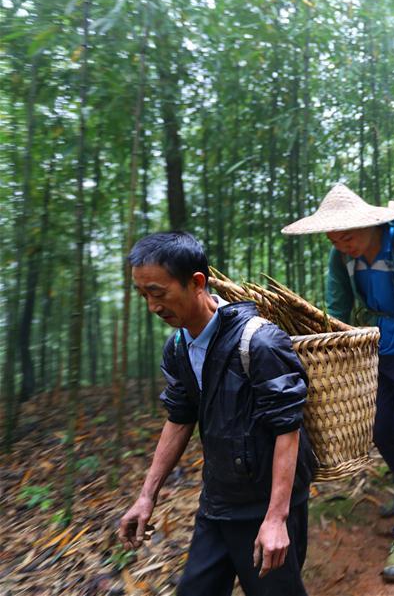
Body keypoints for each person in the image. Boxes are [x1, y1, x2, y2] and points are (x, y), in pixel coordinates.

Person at [119, 232, 315, 596]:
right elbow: (179, 417)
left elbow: (288, 428)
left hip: (265, 504)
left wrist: (276, 518)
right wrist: (147, 495)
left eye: (158, 293)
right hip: (218, 502)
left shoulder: (259, 342)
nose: (151, 306)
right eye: (143, 295)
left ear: (196, 282)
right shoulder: (177, 347)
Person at [281, 184, 394, 583]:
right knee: (379, 431)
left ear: (370, 226)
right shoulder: (342, 258)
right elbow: (335, 309)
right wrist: (332, 355)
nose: (341, 244)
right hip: (371, 352)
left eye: (348, 236)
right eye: (334, 238)